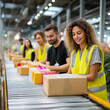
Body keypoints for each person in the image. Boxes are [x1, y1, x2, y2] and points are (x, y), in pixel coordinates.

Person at [65, 18, 107, 101]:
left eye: (79, 33)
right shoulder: (74, 53)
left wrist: (73, 77)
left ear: (86, 33)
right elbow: (69, 73)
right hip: (80, 95)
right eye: (73, 34)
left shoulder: (94, 50)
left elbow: (92, 76)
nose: (76, 37)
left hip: (95, 98)